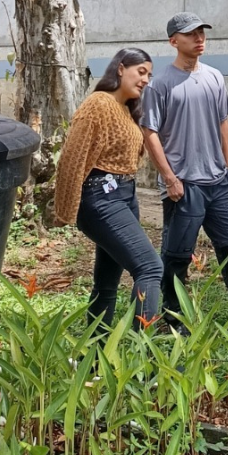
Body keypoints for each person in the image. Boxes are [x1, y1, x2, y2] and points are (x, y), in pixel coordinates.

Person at [142, 13, 228, 332]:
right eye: (190, 34)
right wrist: (169, 178)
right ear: (173, 41)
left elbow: (223, 120)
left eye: (201, 33)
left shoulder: (213, 76)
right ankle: (173, 319)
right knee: (177, 256)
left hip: (219, 182)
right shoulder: (159, 84)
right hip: (184, 184)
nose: (199, 38)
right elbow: (150, 132)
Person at [54, 49, 162, 329]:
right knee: (150, 268)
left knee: (107, 283)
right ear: (121, 68)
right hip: (100, 197)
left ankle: (94, 357)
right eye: (141, 72)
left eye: (149, 75)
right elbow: (72, 158)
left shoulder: (127, 110)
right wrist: (64, 211)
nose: (146, 80)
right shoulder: (98, 104)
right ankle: (144, 364)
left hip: (124, 196)